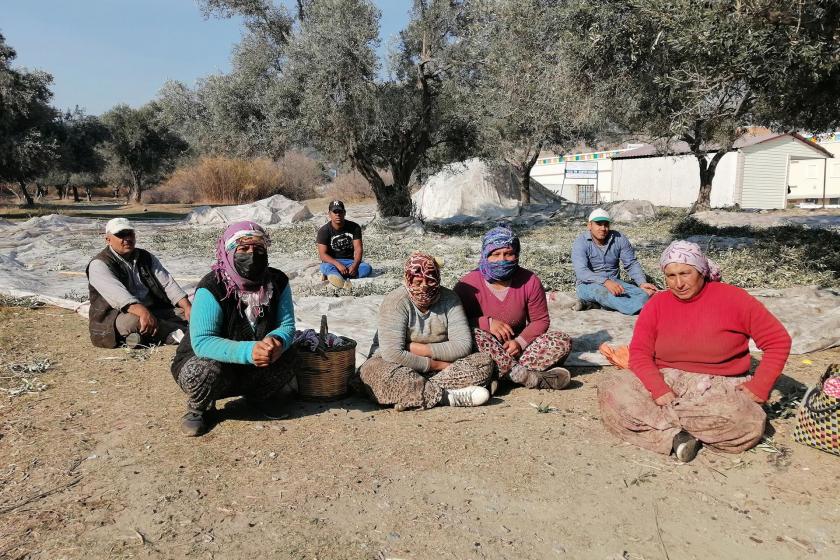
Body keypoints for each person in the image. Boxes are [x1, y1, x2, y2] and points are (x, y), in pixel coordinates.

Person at [598, 240, 792, 462]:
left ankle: (662, 426)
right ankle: (679, 436)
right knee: (611, 387)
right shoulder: (657, 304)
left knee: (747, 422)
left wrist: (761, 385)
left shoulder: (734, 299)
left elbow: (777, 340)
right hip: (668, 379)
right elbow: (640, 352)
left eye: (685, 273)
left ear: (701, 271)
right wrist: (658, 389)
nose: (679, 283)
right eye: (671, 276)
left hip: (717, 386)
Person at [170, 222, 297, 436]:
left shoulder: (278, 281)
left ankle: (258, 397)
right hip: (214, 363)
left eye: (258, 249)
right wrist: (249, 351)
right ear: (228, 253)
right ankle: (199, 407)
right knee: (203, 370)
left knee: (291, 353)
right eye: (243, 249)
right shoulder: (212, 286)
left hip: (254, 365)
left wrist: (276, 340)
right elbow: (202, 342)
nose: (252, 255)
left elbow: (287, 325)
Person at [359, 252, 493, 410]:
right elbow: (392, 353)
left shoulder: (450, 299)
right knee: (378, 374)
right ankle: (446, 396)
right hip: (397, 364)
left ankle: (418, 394)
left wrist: (418, 348)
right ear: (408, 280)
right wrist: (435, 365)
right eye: (417, 282)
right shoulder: (396, 302)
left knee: (483, 363)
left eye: (430, 280)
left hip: (443, 366)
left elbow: (462, 346)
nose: (424, 286)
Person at [454, 226, 573, 390]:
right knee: (475, 335)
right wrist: (486, 323)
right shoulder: (467, 284)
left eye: (508, 254)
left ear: (516, 255)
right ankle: (529, 378)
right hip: (485, 352)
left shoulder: (529, 281)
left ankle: (499, 376)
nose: (502, 259)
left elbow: (540, 320)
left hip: (517, 350)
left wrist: (519, 342)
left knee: (561, 341)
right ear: (485, 255)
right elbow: (453, 323)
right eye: (495, 254)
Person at [86, 217, 191, 349]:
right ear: (108, 240)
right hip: (115, 317)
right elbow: (120, 298)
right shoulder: (100, 264)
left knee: (190, 312)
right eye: (121, 235)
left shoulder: (145, 257)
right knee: (134, 322)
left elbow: (168, 284)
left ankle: (142, 338)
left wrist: (187, 307)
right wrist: (144, 313)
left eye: (130, 234)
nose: (127, 238)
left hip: (153, 309)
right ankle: (186, 334)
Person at [571, 208, 657, 314]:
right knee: (605, 294)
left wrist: (642, 283)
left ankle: (595, 305)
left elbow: (631, 263)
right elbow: (582, 272)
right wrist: (605, 282)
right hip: (587, 285)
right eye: (598, 224)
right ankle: (644, 308)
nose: (603, 228)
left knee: (644, 294)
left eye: (606, 224)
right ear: (589, 225)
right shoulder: (581, 242)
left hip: (615, 282)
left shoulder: (619, 238)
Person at [316, 200, 372, 289]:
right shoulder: (324, 231)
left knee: (366, 268)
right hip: (332, 263)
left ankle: (337, 277)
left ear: (344, 212)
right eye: (335, 212)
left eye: (340, 211)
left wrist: (355, 265)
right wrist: (338, 264)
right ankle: (336, 277)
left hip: (350, 262)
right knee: (325, 267)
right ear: (329, 214)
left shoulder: (355, 227)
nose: (338, 214)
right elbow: (323, 255)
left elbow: (358, 249)